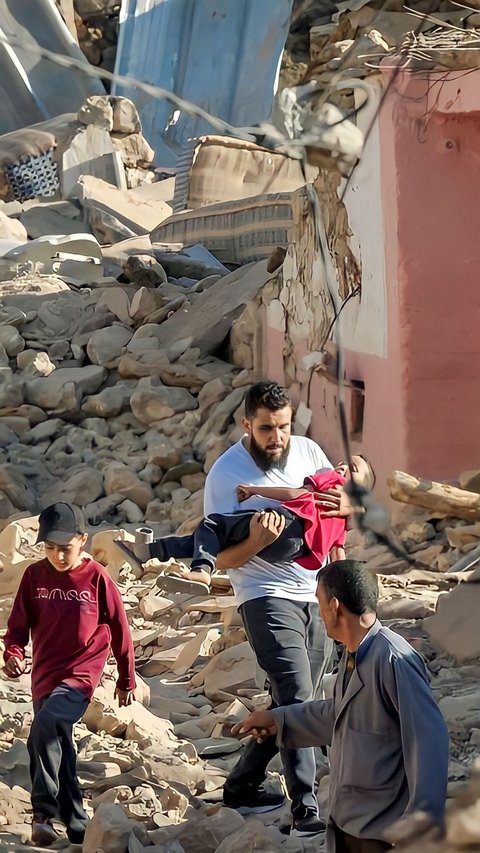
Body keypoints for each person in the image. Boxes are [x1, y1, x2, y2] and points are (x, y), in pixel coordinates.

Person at [201, 381, 342, 837]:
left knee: (293, 700)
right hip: (262, 593)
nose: (277, 437)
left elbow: (338, 509)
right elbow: (215, 558)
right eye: (266, 428)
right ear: (247, 425)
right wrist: (258, 541)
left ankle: (242, 786)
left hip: (315, 590)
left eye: (282, 426)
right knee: (299, 695)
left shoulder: (308, 451)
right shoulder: (226, 475)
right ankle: (306, 810)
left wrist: (347, 505)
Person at [232, 560, 449, 852]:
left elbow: (428, 739)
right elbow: (339, 714)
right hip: (349, 820)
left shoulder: (393, 659)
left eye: (319, 603)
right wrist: (277, 720)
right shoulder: (355, 653)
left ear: (334, 606)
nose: (319, 613)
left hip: (383, 830)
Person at [3, 502, 136, 848]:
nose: (58, 556)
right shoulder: (34, 576)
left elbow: (120, 629)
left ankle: (42, 813)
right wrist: (13, 653)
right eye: (50, 548)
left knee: (45, 728)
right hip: (44, 675)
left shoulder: (96, 578)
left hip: (81, 674)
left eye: (65, 548)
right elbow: (17, 626)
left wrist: (126, 679)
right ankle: (77, 822)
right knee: (57, 743)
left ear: (82, 539)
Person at [128, 456, 375, 583]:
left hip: (286, 524)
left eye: (352, 468)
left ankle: (201, 571)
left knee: (212, 524)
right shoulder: (342, 520)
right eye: (343, 462)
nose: (342, 467)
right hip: (290, 554)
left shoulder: (333, 482)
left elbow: (296, 494)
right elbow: (337, 554)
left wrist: (257, 490)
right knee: (212, 541)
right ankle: (148, 551)